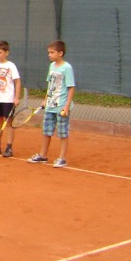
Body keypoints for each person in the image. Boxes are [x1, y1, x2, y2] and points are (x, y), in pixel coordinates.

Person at [28, 40, 76, 168]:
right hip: (50, 105)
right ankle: (43, 155)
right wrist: (45, 99)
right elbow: (50, 85)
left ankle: (62, 158)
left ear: (60, 53)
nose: (49, 55)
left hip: (61, 106)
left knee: (62, 133)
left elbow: (71, 87)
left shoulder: (67, 68)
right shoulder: (52, 66)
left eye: (52, 52)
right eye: (48, 52)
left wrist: (67, 106)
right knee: (46, 131)